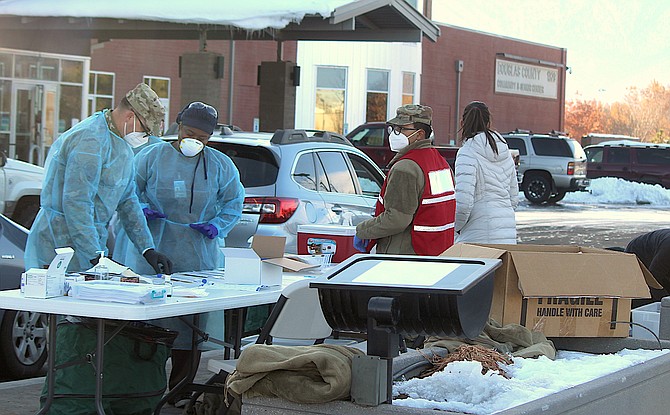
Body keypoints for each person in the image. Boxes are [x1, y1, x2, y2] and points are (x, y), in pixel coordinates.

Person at [113, 101, 244, 406]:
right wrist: (140, 210)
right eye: (189, 133)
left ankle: (181, 388)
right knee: (149, 326)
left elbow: (233, 202)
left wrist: (217, 225)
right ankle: (144, 391)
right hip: (153, 253)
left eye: (203, 138)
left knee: (190, 327)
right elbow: (126, 191)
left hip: (197, 258)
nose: (194, 142)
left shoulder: (220, 165)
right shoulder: (151, 157)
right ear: (178, 126)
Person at [25, 83, 173, 274]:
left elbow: (127, 199)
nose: (144, 137)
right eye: (145, 131)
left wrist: (147, 248)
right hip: (59, 243)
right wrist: (93, 255)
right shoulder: (90, 141)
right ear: (130, 116)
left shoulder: (121, 144)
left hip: (90, 243)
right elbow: (77, 204)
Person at [354, 104, 455, 255]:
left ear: (419, 134)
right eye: (394, 129)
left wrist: (362, 231)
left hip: (405, 256)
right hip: (436, 253)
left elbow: (396, 219)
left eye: (401, 129)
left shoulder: (406, 168)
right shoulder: (440, 163)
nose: (395, 134)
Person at [454, 101, 519, 244]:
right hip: (507, 231)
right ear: (488, 122)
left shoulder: (467, 153)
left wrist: (456, 228)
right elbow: (513, 198)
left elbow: (463, 203)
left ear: (462, 123)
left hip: (477, 233)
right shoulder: (505, 152)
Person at [624, 229, 670, 307]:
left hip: (658, 256)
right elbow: (653, 281)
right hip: (637, 255)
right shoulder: (667, 250)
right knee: (650, 296)